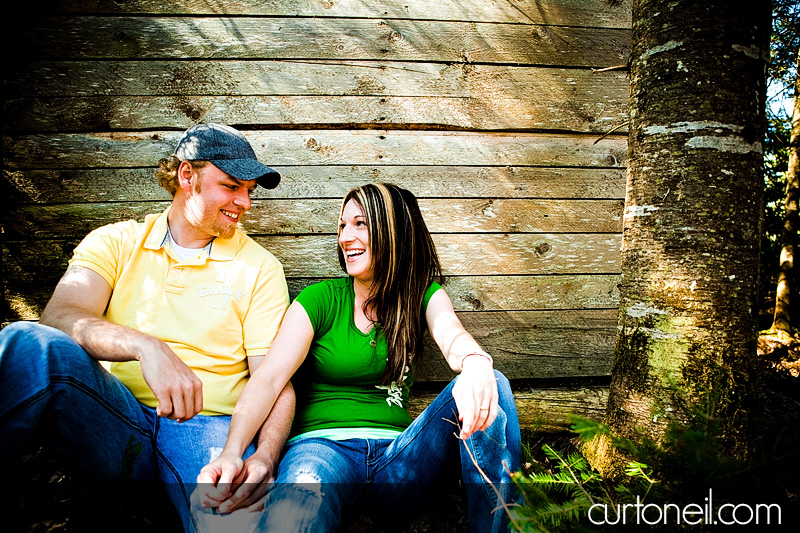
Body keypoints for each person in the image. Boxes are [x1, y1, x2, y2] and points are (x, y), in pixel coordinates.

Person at [0, 123, 295, 532]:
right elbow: (60, 317)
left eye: (250, 191)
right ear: (186, 176)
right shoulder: (115, 241)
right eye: (231, 186)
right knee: (27, 341)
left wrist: (264, 455)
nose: (244, 202)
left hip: (209, 432)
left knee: (236, 520)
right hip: (114, 420)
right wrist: (145, 346)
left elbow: (274, 379)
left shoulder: (260, 267)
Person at [197, 183, 521, 532]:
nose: (345, 237)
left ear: (391, 230)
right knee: (294, 510)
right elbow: (269, 379)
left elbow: (451, 333)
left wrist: (474, 361)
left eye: (360, 224)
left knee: (491, 381)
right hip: (322, 453)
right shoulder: (319, 300)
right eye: (342, 226)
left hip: (400, 457)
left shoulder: (421, 296)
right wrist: (233, 451)